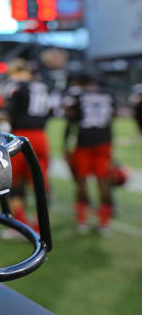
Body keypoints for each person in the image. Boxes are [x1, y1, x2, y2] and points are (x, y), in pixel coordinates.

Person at [62, 73, 116, 235]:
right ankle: (104, 222)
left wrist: (65, 144)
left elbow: (70, 119)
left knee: (81, 181)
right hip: (104, 142)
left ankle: (82, 219)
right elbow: (112, 117)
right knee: (103, 181)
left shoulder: (76, 94)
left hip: (84, 142)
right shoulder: (108, 93)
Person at [3, 58, 50, 232]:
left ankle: (21, 226)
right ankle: (39, 228)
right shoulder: (42, 86)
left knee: (13, 183)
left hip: (21, 136)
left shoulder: (16, 85)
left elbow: (9, 112)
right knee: (39, 183)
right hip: (41, 136)